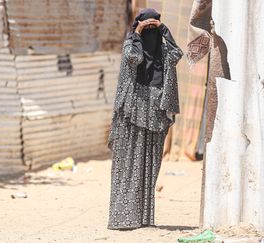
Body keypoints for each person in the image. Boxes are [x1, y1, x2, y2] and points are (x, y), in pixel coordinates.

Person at [107, 8, 183, 230]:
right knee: (128, 164)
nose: (151, 32)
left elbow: (177, 53)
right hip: (132, 108)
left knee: (150, 164)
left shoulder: (164, 50)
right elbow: (135, 58)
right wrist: (139, 32)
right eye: (146, 27)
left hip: (157, 108)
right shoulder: (131, 44)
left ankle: (144, 219)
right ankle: (122, 219)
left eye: (153, 27)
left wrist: (163, 29)